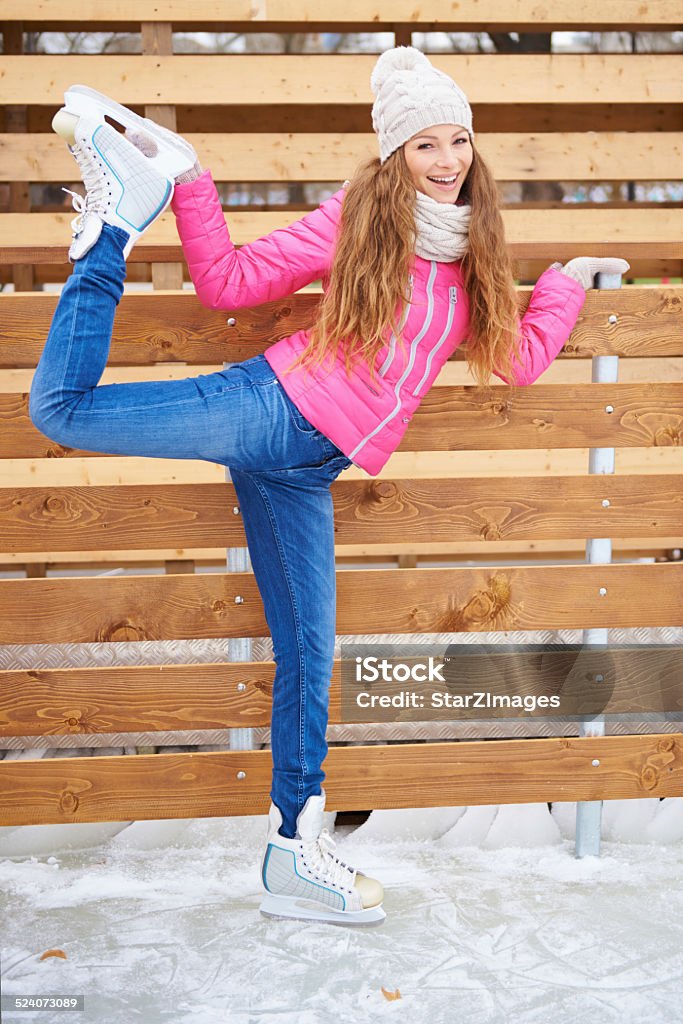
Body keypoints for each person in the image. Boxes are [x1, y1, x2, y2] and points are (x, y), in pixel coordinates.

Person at [29, 46, 628, 927]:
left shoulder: (469, 257)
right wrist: (192, 189)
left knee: (310, 654)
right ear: (394, 155)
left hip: (305, 467)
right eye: (424, 145)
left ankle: (293, 852)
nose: (447, 160)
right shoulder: (352, 220)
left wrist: (563, 287)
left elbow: (519, 360)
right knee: (62, 411)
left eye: (457, 139)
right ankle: (111, 227)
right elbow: (224, 281)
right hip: (269, 410)